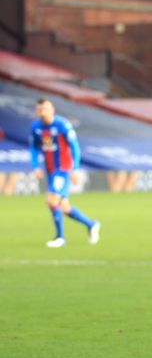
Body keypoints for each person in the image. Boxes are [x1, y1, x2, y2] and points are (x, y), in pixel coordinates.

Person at [29, 98, 101, 248]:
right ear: (37, 112)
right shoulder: (36, 127)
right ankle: (91, 224)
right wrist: (36, 166)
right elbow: (34, 148)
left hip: (62, 169)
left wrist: (75, 169)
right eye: (40, 110)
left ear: (53, 110)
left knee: (51, 200)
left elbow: (74, 147)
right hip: (50, 169)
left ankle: (60, 238)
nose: (43, 113)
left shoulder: (62, 125)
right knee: (64, 206)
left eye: (46, 109)